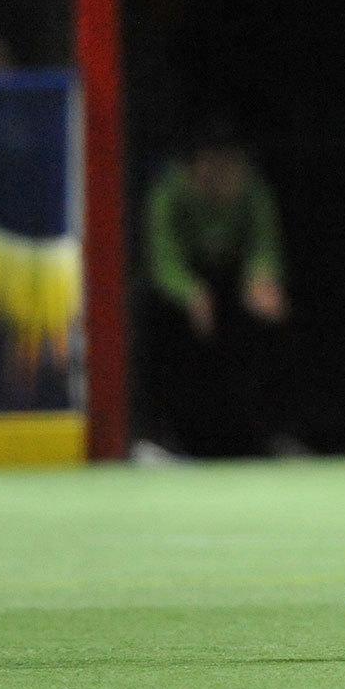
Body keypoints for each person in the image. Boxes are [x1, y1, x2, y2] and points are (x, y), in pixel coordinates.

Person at [141, 118, 295, 457]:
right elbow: (163, 261)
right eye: (216, 164)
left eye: (233, 165)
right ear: (198, 166)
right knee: (155, 320)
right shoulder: (169, 192)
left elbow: (265, 247)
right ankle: (161, 439)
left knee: (272, 316)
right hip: (184, 289)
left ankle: (271, 435)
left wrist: (262, 278)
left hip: (232, 284)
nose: (227, 174)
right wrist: (190, 294)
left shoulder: (253, 191)